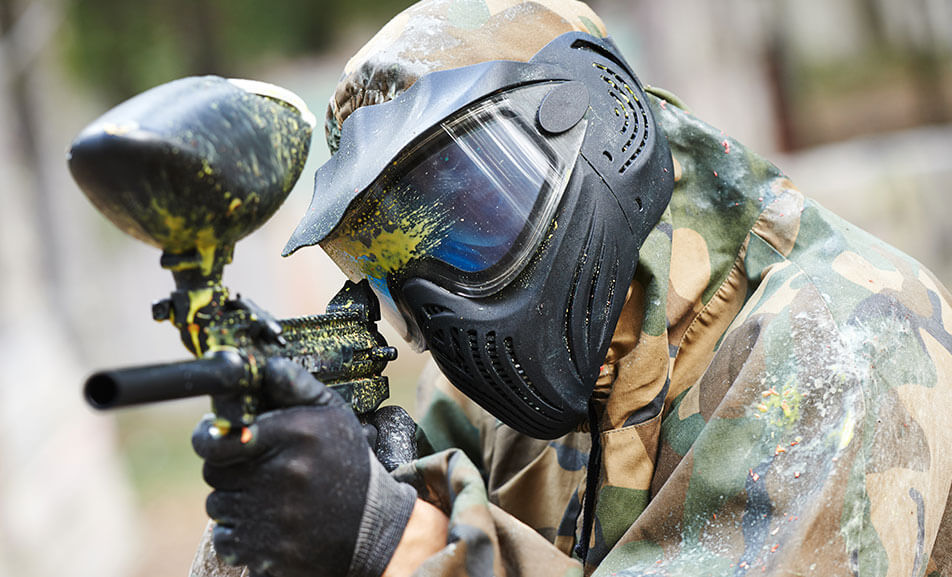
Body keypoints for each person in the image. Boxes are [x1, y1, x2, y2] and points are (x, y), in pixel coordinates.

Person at [190, 1, 952, 576]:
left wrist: (400, 536)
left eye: (474, 212)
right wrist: (287, 496)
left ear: (606, 118)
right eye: (389, 262)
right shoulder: (477, 406)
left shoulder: (848, 332)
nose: (442, 300)